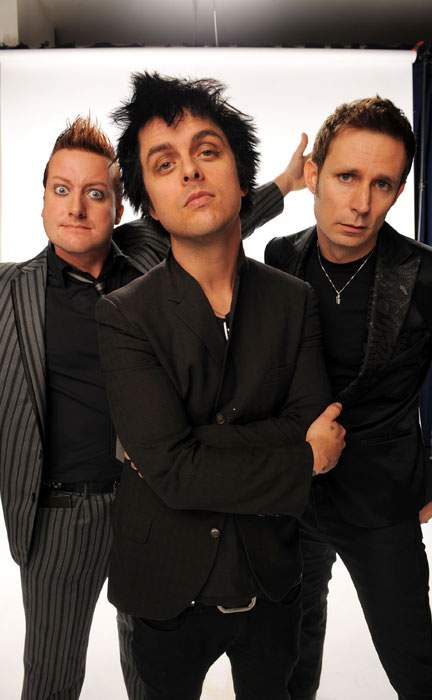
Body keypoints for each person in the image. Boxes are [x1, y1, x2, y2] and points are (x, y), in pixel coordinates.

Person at [0, 114, 300, 700]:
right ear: (42, 203)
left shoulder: (148, 257)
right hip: (60, 515)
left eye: (95, 194)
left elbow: (212, 216)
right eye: (61, 190)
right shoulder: (10, 292)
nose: (76, 207)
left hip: (154, 507)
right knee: (52, 676)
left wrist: (287, 184)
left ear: (118, 208)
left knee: (152, 677)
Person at [96, 71, 346, 700]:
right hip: (165, 585)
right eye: (164, 163)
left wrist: (188, 449)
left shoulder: (294, 300)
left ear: (241, 174)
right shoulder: (124, 314)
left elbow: (303, 422)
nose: (190, 171)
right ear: (152, 205)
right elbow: (174, 470)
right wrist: (300, 457)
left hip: (272, 578)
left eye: (206, 151)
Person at [265, 96, 432, 700]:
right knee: (291, 648)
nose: (361, 203)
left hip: (382, 498)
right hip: (295, 490)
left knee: (413, 659)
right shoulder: (281, 257)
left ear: (400, 190)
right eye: (346, 177)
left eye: (381, 184)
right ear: (313, 175)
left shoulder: (425, 274)